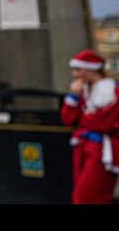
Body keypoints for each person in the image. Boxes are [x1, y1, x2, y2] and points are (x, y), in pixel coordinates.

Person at [61, 49, 119, 204]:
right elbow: (68, 120)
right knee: (80, 195)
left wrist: (82, 119)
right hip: (82, 147)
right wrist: (73, 98)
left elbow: (104, 124)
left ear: (91, 69)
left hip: (101, 150)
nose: (74, 74)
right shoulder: (83, 90)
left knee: (88, 197)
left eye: (78, 70)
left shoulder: (111, 90)